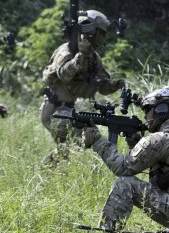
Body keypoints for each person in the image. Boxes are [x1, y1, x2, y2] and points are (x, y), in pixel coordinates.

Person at [81, 87, 169, 232]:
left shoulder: (159, 139)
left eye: (148, 110)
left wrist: (97, 140)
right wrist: (137, 142)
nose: (146, 116)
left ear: (161, 110)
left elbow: (122, 167)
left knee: (124, 184)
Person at [40, 10, 125, 162]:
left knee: (68, 150)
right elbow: (63, 75)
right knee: (87, 138)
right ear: (92, 32)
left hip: (69, 110)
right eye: (102, 32)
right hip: (54, 111)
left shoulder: (93, 57)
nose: (103, 37)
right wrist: (79, 57)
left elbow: (102, 87)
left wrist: (116, 85)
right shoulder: (66, 51)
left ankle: (46, 170)